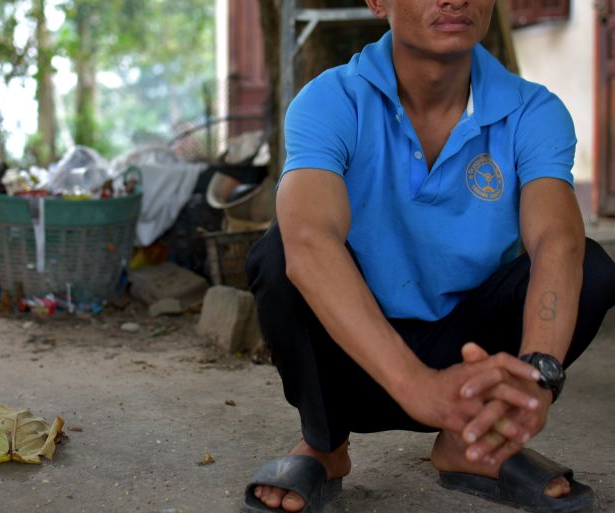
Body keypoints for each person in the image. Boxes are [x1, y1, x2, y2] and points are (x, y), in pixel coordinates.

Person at [241, 1, 615, 512]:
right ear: (377, 1)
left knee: (589, 266)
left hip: (473, 359)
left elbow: (557, 241)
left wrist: (536, 378)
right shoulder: (332, 99)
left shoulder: (533, 110)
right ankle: (324, 445)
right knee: (283, 246)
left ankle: (473, 443)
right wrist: (417, 387)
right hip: (355, 357)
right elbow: (309, 242)